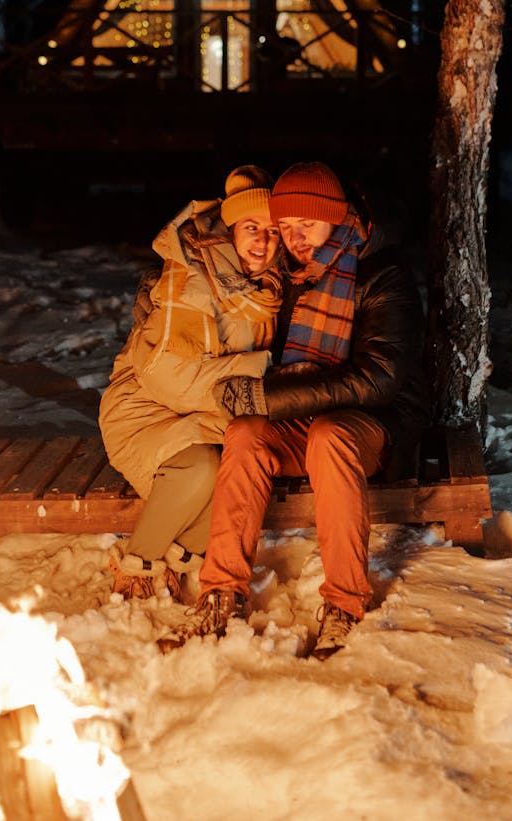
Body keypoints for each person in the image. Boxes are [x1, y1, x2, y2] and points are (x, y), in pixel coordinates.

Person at [158, 161, 430, 658]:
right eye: (287, 227)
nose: (295, 237)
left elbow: (379, 378)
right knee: (244, 433)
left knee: (329, 436)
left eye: (307, 224)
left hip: (374, 422)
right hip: (299, 415)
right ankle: (220, 592)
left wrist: (270, 397)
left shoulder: (382, 274)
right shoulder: (289, 277)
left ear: (335, 216)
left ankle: (345, 603)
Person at [98, 165, 282, 600]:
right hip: (143, 408)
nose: (263, 240)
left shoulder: (263, 285)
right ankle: (136, 563)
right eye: (252, 227)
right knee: (203, 466)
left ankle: (178, 559)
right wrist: (257, 371)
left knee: (239, 467)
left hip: (199, 410)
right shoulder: (195, 280)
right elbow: (170, 379)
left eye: (273, 231)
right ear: (229, 230)